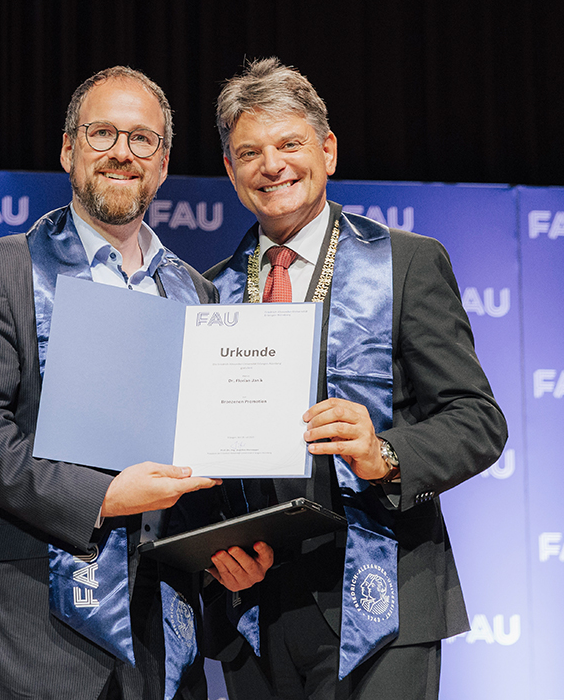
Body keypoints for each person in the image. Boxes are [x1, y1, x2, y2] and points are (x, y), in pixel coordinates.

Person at [201, 58, 507, 700]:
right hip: (257, 606)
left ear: (328, 150)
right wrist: (214, 549)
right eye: (249, 152)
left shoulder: (407, 263)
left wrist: (384, 453)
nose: (272, 165)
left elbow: (477, 420)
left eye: (290, 144)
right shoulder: (209, 294)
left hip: (387, 591)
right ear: (230, 172)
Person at [0, 66, 220, 700]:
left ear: (164, 164)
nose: (122, 152)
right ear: (68, 150)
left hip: (160, 639)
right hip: (25, 639)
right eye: (102, 133)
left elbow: (203, 450)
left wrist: (227, 539)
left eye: (142, 139)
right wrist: (104, 496)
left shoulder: (197, 293)